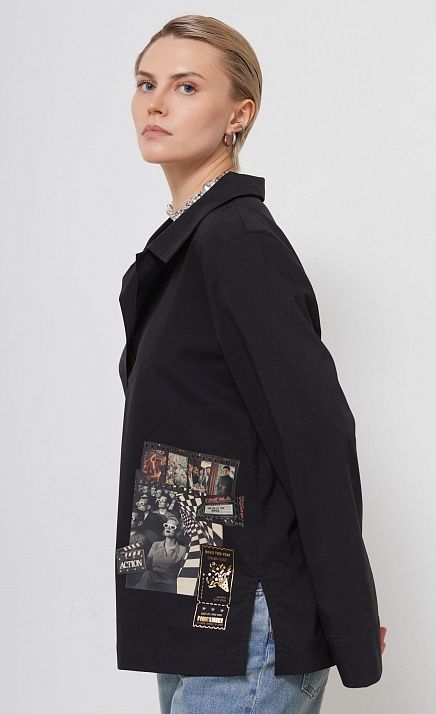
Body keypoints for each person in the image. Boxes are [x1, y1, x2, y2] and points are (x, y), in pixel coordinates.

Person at [114, 14, 387, 714]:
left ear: (239, 114)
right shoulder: (184, 249)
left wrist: (349, 618)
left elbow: (315, 432)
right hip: (193, 609)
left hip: (249, 621)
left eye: (185, 86)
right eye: (146, 83)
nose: (156, 102)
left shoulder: (236, 244)